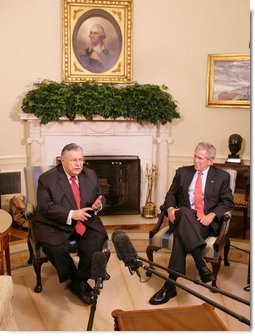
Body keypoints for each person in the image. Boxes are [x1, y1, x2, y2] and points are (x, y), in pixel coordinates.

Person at [149, 142, 234, 305]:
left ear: (210, 160)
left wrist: (211, 215)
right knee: (185, 213)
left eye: (200, 158)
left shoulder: (222, 176)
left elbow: (227, 202)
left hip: (204, 224)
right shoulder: (182, 172)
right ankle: (201, 265)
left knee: (182, 233)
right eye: (195, 156)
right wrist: (171, 209)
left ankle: (170, 286)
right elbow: (171, 194)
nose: (196, 161)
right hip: (181, 217)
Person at [33, 143, 108, 305]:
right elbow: (45, 207)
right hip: (55, 223)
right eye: (74, 160)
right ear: (62, 160)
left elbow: (100, 195)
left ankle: (78, 282)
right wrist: (72, 214)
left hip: (86, 220)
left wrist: (98, 204)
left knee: (96, 239)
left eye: (81, 160)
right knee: (54, 248)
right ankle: (75, 279)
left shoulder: (90, 174)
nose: (78, 164)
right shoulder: (47, 179)